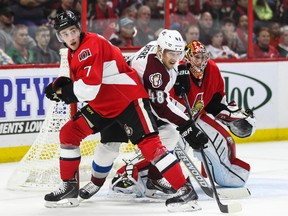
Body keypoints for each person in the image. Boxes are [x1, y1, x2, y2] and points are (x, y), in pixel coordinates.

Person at [44, 11, 207, 211]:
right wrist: (59, 87)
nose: (71, 37)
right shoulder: (77, 49)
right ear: (59, 37)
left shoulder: (90, 46)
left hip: (128, 99)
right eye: (65, 34)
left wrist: (64, 93)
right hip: (106, 102)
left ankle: (184, 191)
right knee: (70, 133)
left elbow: (89, 87)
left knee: (151, 145)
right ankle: (70, 186)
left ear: (79, 29)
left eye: (73, 31)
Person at [79, 29, 208, 200]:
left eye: (178, 54)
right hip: (118, 101)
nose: (174, 58)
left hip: (139, 101)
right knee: (110, 145)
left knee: (170, 133)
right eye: (171, 54)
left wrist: (182, 68)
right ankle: (96, 182)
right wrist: (187, 125)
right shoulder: (153, 72)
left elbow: (174, 60)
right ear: (161, 51)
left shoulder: (159, 48)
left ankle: (155, 179)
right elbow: (161, 107)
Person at [170, 40, 256, 188]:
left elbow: (214, 103)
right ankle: (144, 176)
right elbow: (165, 106)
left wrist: (232, 116)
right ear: (188, 57)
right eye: (196, 57)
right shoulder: (176, 72)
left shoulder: (212, 70)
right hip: (173, 122)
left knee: (222, 142)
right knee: (173, 147)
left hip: (196, 118)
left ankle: (227, 175)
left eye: (203, 57)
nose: (200, 61)